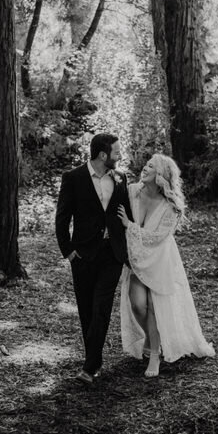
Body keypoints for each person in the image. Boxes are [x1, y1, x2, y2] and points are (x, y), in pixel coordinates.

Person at [117, 153, 215, 378]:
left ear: (161, 175)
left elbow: (156, 238)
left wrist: (128, 225)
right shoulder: (132, 191)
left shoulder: (170, 206)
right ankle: (152, 340)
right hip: (137, 258)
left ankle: (154, 356)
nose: (145, 168)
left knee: (152, 306)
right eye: (146, 164)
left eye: (151, 166)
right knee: (137, 304)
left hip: (160, 259)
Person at [55, 133, 133, 385]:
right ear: (103, 155)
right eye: (116, 151)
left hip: (112, 255)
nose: (119, 155)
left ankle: (90, 366)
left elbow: (127, 214)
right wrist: (68, 251)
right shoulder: (73, 178)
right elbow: (62, 218)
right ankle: (94, 358)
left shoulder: (121, 178)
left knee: (101, 307)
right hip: (83, 256)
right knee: (86, 309)